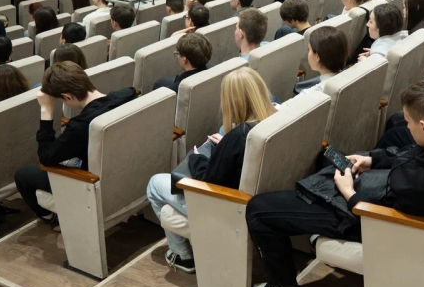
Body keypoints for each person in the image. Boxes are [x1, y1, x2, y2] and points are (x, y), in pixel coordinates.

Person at [245, 78, 424, 287]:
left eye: (409, 122)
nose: (406, 127)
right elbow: (410, 153)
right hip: (376, 195)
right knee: (328, 157)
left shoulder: (417, 185)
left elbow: (384, 222)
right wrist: (372, 160)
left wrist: (349, 192)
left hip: (365, 219)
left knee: (258, 209)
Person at [147, 67, 276, 272]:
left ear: (234, 101)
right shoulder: (275, 117)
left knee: (155, 183)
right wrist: (224, 145)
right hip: (262, 200)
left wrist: (196, 158)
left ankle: (182, 256)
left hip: (227, 207)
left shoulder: (238, 135)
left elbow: (209, 183)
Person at [14, 62, 138, 222]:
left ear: (67, 97)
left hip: (93, 184)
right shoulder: (128, 95)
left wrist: (46, 110)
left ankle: (50, 217)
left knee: (23, 176)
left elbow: (46, 156)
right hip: (131, 170)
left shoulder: (81, 126)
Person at [290, 26, 349, 98]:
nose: (308, 53)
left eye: (309, 49)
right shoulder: (350, 78)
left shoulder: (307, 95)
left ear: (317, 57)